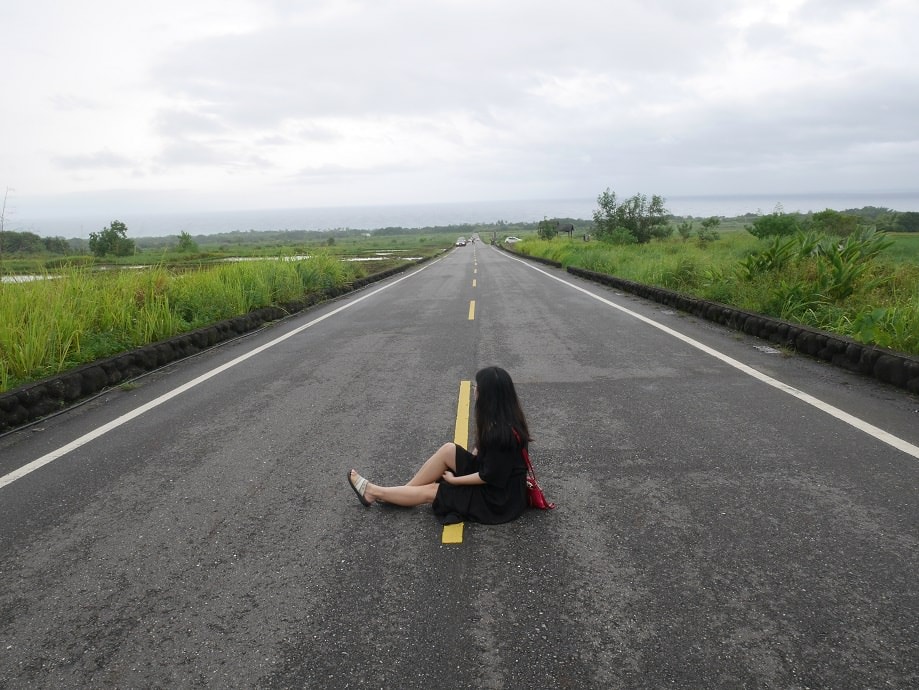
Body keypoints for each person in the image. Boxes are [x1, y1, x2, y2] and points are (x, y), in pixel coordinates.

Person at [348, 366, 530, 524]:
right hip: (499, 481)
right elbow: (485, 455)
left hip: (498, 500)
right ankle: (401, 494)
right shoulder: (504, 420)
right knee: (448, 450)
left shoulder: (500, 434)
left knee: (434, 491)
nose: (475, 391)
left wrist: (454, 480)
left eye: (478, 388)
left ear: (488, 397)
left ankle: (372, 492)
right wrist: (469, 459)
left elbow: (489, 476)